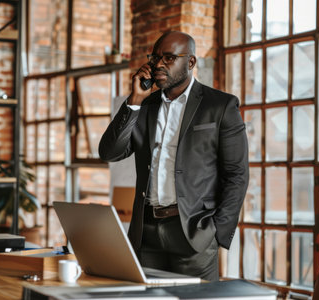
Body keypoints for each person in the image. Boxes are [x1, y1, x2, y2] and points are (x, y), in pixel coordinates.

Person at [98, 31, 249, 281]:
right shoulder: (145, 105)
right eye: (155, 57)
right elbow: (110, 152)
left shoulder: (220, 106)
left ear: (190, 62)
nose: (158, 64)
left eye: (169, 58)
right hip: (146, 233)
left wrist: (216, 231)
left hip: (193, 234)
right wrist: (134, 100)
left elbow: (237, 175)